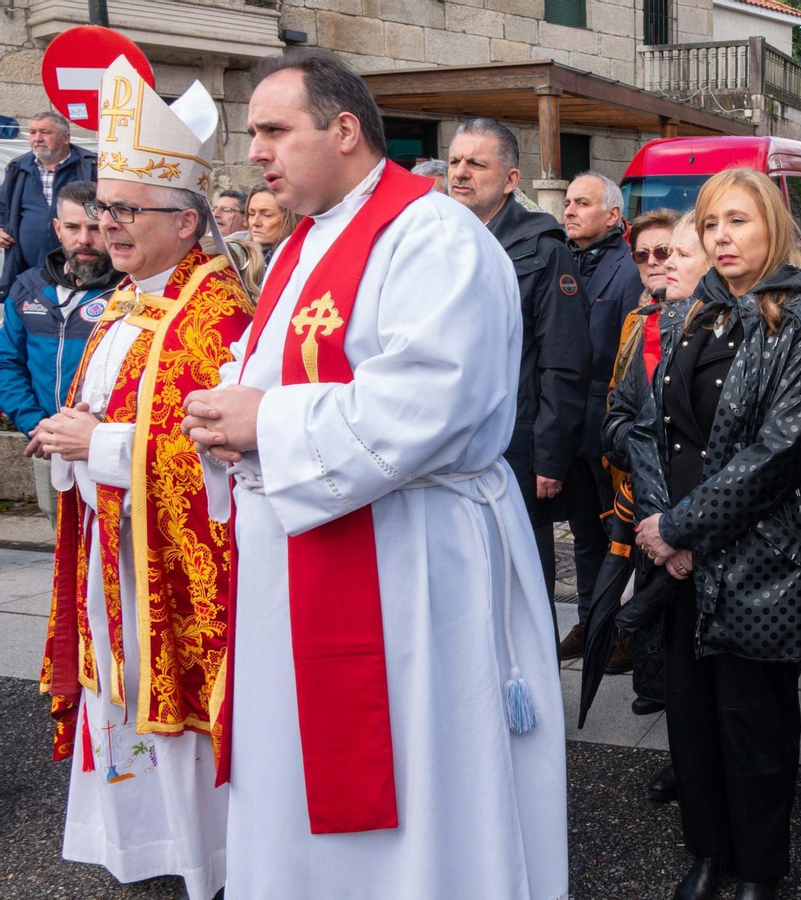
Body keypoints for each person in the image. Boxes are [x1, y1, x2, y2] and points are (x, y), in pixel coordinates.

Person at [178, 48, 566, 900]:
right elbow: (277, 373)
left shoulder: (433, 236)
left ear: (345, 129)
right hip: (309, 550)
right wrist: (231, 421)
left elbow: (432, 398)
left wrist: (265, 422)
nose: (256, 153)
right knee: (295, 763)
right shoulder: (304, 243)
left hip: (410, 558)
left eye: (275, 130)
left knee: (420, 781)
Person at [34, 58, 252, 899]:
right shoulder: (127, 300)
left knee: (172, 701)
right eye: (105, 209)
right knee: (116, 690)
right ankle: (136, 838)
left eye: (127, 211)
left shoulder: (219, 315)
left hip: (176, 565)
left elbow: (220, 451)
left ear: (187, 220)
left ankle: (204, 853)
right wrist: (68, 440)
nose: (108, 226)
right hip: (113, 548)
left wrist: (99, 445)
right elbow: (103, 410)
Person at [629, 167, 801, 900]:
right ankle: (707, 852)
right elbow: (652, 429)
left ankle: (758, 869)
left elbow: (779, 454)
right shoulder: (692, 312)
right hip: (679, 557)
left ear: (773, 228)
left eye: (738, 221)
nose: (722, 237)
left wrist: (682, 528)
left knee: (755, 728)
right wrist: (660, 528)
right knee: (690, 721)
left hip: (758, 562)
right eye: (711, 223)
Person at [447, 117, 592, 609]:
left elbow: (564, 361)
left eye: (476, 163)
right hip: (451, 442)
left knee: (519, 586)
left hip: (516, 447)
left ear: (511, 180)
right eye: (455, 161)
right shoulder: (437, 239)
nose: (460, 173)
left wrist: (549, 457)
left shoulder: (544, 249)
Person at [604, 209, 692, 803]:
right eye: (646, 255)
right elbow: (618, 411)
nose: (658, 263)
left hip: (702, 515)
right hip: (647, 505)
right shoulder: (640, 326)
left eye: (670, 252)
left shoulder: (723, 325)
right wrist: (638, 448)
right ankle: (679, 751)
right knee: (661, 633)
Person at [558, 171, 645, 667]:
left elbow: (629, 357)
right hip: (567, 425)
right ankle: (591, 623)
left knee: (621, 536)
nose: (569, 210)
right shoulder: (562, 259)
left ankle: (621, 632)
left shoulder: (629, 269)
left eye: (582, 203)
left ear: (613, 215)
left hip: (607, 426)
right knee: (584, 534)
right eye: (568, 202)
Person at [0, 180, 119, 525]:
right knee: (59, 537)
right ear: (57, 228)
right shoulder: (28, 288)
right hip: (47, 442)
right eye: (72, 227)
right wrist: (35, 424)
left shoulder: (129, 291)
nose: (84, 240)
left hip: (104, 444)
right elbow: (7, 362)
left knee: (109, 539)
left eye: (94, 228)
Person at [0, 110, 96, 297]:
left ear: (66, 137)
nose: (37, 138)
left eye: (45, 132)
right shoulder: (18, 167)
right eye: (32, 132)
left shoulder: (90, 166)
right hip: (29, 271)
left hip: (81, 267)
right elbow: (2, 203)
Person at [245, 184, 300, 262]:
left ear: (288, 219)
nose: (255, 222)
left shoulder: (304, 259)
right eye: (252, 214)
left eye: (267, 215)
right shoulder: (239, 260)